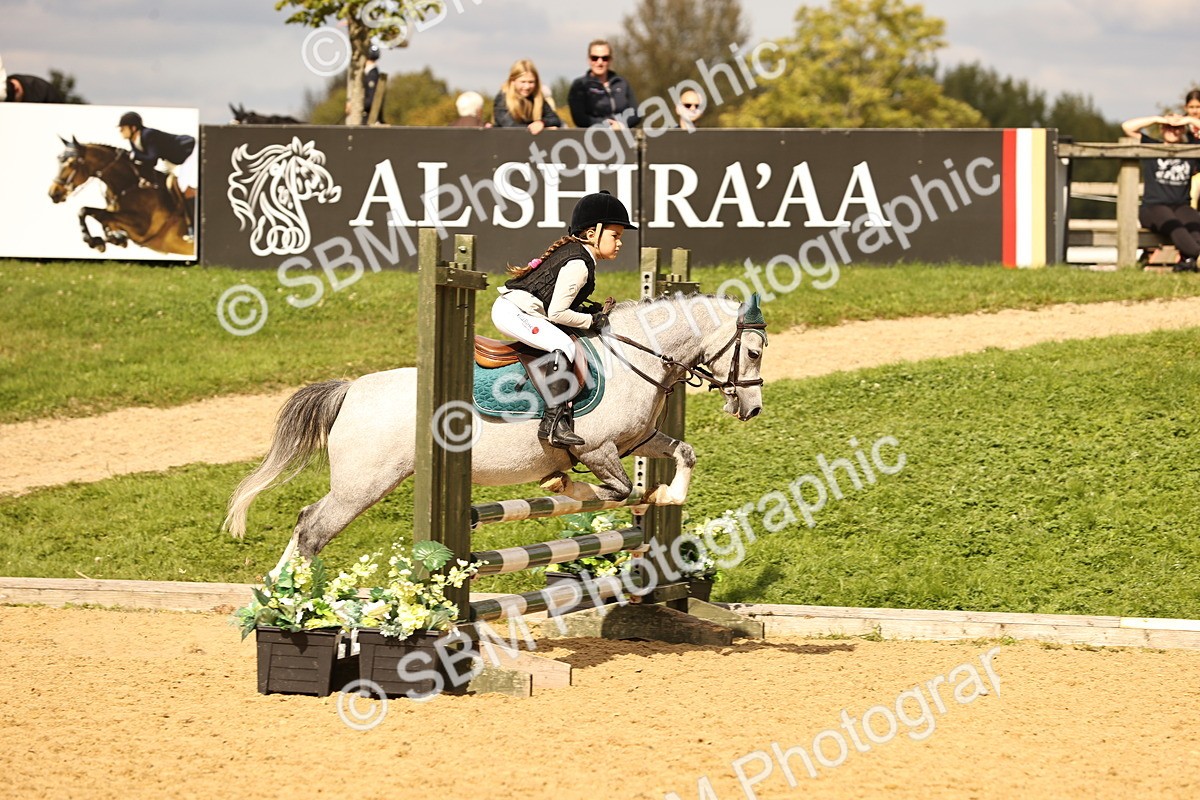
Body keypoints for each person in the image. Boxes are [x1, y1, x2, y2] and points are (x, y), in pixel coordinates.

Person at [490, 190, 636, 448]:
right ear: (592, 234)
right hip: (515, 313)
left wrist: (590, 312)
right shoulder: (579, 263)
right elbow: (557, 313)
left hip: (523, 310)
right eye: (615, 235)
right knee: (565, 346)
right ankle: (553, 423)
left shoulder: (580, 255)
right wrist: (592, 322)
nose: (620, 242)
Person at [1121, 112, 1200, 272]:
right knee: (1173, 224)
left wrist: (1187, 120)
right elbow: (1127, 127)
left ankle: (1188, 260)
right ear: (1161, 128)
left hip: (1180, 205)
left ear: (1184, 130)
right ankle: (1196, 256)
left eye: (1178, 128)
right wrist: (1157, 119)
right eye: (1168, 127)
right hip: (1153, 207)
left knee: (1195, 224)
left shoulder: (1191, 150)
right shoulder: (1152, 146)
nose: (1173, 130)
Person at [117, 111, 198, 240]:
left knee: (182, 188)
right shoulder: (133, 140)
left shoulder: (148, 135)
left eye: (123, 128)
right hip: (170, 160)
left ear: (133, 128)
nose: (120, 131)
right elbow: (148, 163)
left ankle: (193, 228)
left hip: (187, 154)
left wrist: (134, 156)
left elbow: (152, 158)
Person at [568, 39, 640, 130]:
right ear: (588, 60)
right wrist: (607, 125)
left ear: (610, 60)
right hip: (592, 138)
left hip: (623, 137)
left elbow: (636, 113)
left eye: (605, 58)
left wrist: (621, 125)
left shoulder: (622, 83)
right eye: (595, 58)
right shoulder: (579, 85)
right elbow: (580, 119)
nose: (600, 62)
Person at [493, 59, 561, 133]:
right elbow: (510, 126)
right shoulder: (502, 99)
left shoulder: (537, 98)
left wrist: (542, 123)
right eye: (523, 82)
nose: (527, 86)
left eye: (531, 82)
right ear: (512, 81)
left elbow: (555, 120)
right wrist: (538, 128)